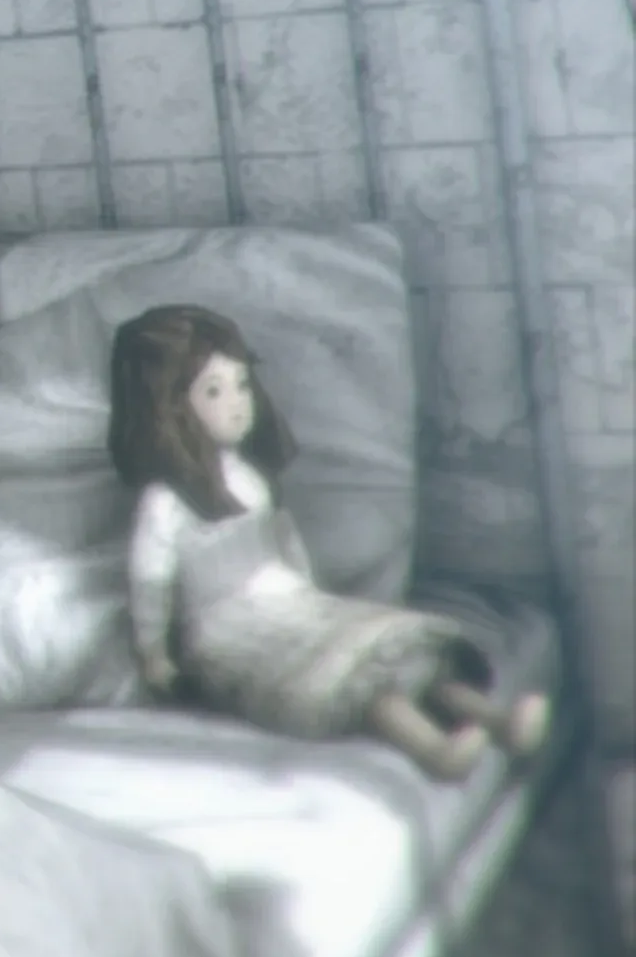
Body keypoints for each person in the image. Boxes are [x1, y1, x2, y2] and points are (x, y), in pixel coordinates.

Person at [114, 303, 547, 779]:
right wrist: (154, 656)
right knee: (354, 682)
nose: (237, 402)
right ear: (171, 406)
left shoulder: (249, 478)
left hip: (287, 603)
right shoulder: (165, 503)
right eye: (214, 391)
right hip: (227, 631)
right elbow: (149, 583)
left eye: (241, 385)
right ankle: (433, 751)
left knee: (393, 654)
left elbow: (282, 545)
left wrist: (311, 599)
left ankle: (496, 721)